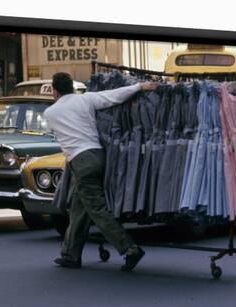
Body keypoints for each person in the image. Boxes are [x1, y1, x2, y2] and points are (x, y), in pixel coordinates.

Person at [44, 72, 160, 271]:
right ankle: (71, 254)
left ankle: (130, 249)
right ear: (72, 86)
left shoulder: (50, 113)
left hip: (80, 161)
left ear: (54, 91)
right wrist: (139, 87)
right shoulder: (85, 99)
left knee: (97, 209)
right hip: (98, 155)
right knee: (80, 207)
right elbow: (113, 96)